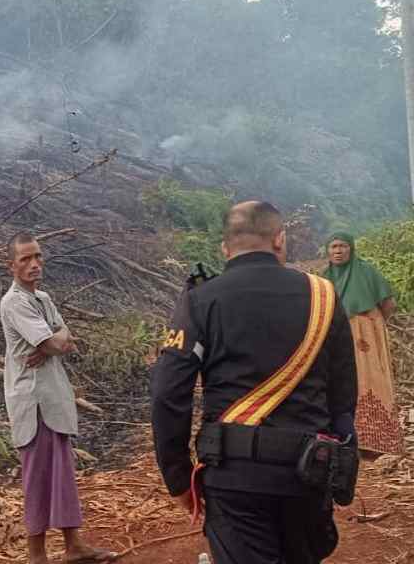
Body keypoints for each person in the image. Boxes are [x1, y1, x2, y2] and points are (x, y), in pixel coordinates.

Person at [151, 201, 358, 564]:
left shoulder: (200, 300)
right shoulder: (324, 295)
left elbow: (168, 394)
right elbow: (343, 394)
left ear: (225, 248)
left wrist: (179, 478)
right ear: (279, 239)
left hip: (233, 475)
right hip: (308, 471)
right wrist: (339, 461)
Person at [0, 232, 113, 564]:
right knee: (37, 477)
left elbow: (66, 340)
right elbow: (55, 344)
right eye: (25, 259)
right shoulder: (14, 302)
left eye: (37, 256)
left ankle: (73, 545)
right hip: (34, 402)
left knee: (62, 473)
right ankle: (37, 555)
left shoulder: (43, 298)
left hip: (52, 398)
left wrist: (55, 341)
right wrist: (54, 342)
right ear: (11, 266)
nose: (34, 264)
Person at [321, 232, 404, 456]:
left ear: (351, 249)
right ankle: (348, 438)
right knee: (342, 382)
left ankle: (380, 442)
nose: (338, 251)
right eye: (333, 247)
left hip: (367, 335)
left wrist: (374, 325)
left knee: (372, 378)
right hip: (338, 336)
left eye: (343, 246)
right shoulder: (325, 278)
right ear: (328, 251)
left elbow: (388, 303)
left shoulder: (367, 271)